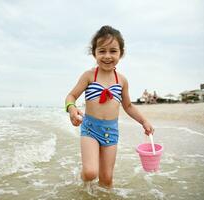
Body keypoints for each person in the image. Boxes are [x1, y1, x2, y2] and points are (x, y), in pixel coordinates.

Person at [65, 25, 154, 189]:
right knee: (91, 172)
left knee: (106, 180)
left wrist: (144, 121)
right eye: (102, 51)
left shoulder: (121, 80)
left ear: (121, 53)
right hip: (90, 128)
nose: (107, 56)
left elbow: (128, 106)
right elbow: (70, 96)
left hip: (111, 132)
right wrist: (71, 109)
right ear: (94, 53)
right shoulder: (89, 75)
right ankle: (82, 180)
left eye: (113, 51)